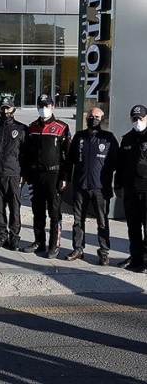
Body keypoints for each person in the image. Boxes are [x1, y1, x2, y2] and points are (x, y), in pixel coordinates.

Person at [65, 107, 118, 265]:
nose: (93, 118)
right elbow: (70, 160)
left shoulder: (108, 138)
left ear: (102, 120)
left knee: (102, 221)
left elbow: (116, 163)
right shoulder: (79, 136)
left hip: (100, 188)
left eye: (96, 116)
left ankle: (104, 252)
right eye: (90, 116)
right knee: (77, 220)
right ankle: (78, 249)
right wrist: (66, 179)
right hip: (81, 186)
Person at [22, 94, 71, 259]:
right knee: (38, 210)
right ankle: (39, 241)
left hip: (54, 175)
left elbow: (67, 156)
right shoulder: (32, 128)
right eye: (41, 106)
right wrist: (26, 175)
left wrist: (64, 177)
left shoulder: (61, 127)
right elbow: (26, 154)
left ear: (53, 106)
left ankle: (54, 244)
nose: (44, 109)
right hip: (36, 175)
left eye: (47, 105)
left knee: (54, 211)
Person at [0, 97, 28, 250]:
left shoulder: (22, 129)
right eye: (3, 108)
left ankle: (14, 236)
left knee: (15, 207)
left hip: (13, 175)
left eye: (8, 108)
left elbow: (25, 154)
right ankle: (2, 234)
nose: (5, 111)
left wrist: (24, 174)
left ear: (13, 109)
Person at [114, 104, 147, 273]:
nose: (138, 121)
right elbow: (120, 165)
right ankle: (136, 256)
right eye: (134, 119)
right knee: (133, 226)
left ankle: (146, 260)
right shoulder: (127, 139)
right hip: (131, 189)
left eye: (140, 118)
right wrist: (117, 184)